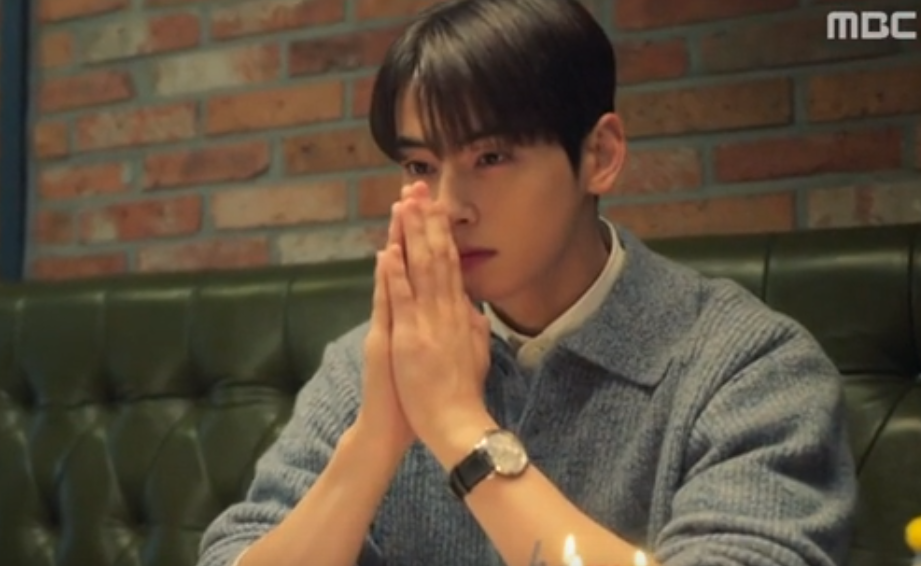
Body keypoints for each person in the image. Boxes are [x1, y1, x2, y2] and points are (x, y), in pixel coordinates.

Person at [197, 0, 858, 565]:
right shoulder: (375, 362)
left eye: (491, 156)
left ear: (599, 156)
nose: (449, 206)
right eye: (420, 165)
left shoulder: (748, 365)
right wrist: (375, 438)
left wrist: (459, 425)